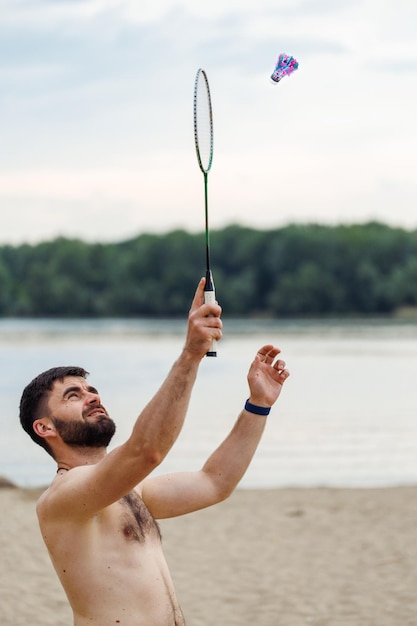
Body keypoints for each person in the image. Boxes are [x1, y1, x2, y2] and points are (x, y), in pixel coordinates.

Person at [19, 277, 290, 626]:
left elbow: (215, 482)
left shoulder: (133, 493)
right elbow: (146, 451)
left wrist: (258, 405)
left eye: (92, 390)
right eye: (74, 395)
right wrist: (191, 354)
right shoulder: (61, 499)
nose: (93, 397)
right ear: (45, 428)